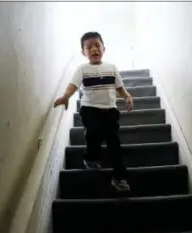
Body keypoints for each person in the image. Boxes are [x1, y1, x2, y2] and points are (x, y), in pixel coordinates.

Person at [54, 32, 133, 192]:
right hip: (89, 108)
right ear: (83, 52)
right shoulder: (82, 69)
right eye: (89, 47)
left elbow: (119, 87)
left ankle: (119, 178)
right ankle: (90, 158)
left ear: (104, 48)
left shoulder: (112, 68)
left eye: (97, 45)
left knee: (114, 144)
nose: (94, 49)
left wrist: (127, 96)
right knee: (93, 132)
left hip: (110, 110)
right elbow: (73, 85)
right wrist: (66, 96)